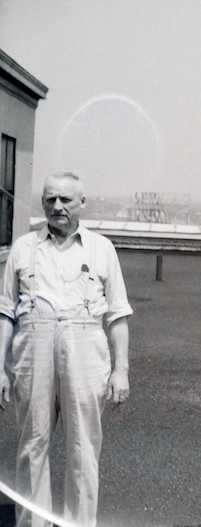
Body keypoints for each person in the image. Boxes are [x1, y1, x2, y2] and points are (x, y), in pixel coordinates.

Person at [0, 172, 133, 527]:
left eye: (65, 200)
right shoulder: (23, 248)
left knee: (84, 447)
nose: (57, 206)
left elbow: (118, 315)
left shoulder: (101, 248)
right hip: (32, 349)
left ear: (82, 203)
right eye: (50, 199)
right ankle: (32, 523)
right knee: (32, 444)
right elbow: (5, 312)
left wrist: (121, 370)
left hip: (85, 348)